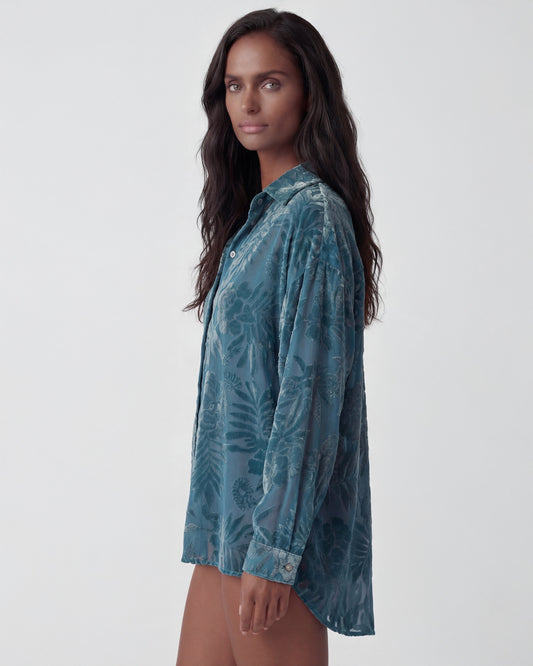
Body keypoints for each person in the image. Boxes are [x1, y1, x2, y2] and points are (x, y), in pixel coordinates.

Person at [176, 8, 382, 666]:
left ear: (309, 92)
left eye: (270, 82)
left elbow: (308, 399)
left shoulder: (311, 219)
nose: (248, 103)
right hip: (222, 530)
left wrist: (275, 551)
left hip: (270, 540)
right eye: (234, 85)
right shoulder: (257, 221)